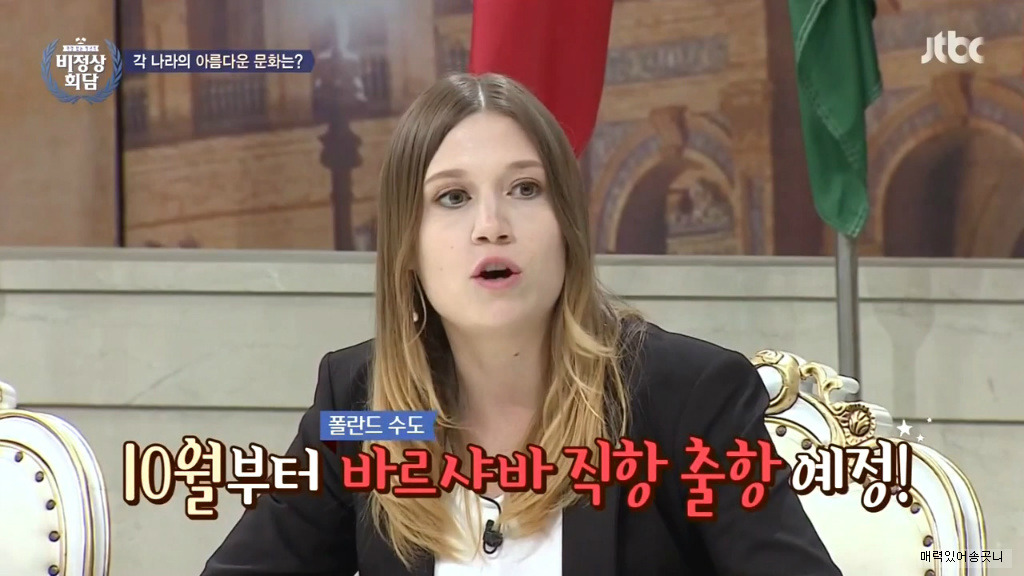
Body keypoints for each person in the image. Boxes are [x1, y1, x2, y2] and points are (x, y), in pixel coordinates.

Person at [200, 73, 841, 576]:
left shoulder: (685, 400)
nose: (491, 226)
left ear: (567, 227)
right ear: (406, 246)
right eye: (453, 197)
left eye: (525, 189)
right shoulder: (365, 410)